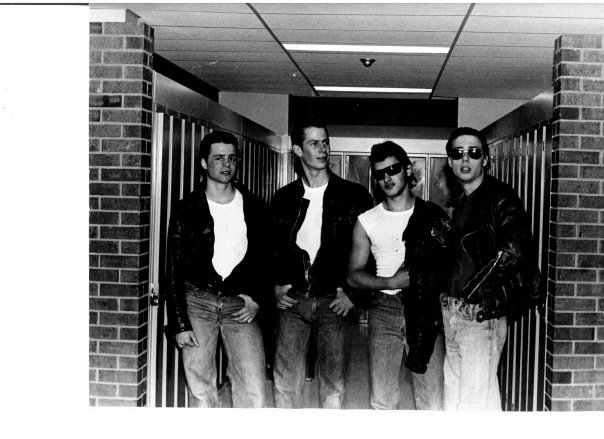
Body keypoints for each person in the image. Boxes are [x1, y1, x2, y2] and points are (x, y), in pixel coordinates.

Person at [270, 120, 373, 408]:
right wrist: (275, 285)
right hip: (293, 299)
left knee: (333, 384)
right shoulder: (284, 198)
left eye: (325, 142)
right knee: (285, 380)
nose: (323, 149)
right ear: (297, 150)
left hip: (334, 300)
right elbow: (271, 249)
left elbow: (372, 250)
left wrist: (353, 294)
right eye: (314, 143)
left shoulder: (354, 196)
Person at [166, 130, 269, 408]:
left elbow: (267, 258)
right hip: (198, 302)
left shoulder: (255, 207)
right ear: (204, 163)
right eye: (219, 158)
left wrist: (258, 298)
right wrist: (180, 324)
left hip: (239, 304)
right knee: (201, 390)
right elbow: (173, 270)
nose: (226, 164)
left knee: (253, 388)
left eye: (232, 158)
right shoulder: (187, 209)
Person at [442, 127, 540, 411]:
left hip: (479, 314)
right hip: (455, 313)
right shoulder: (462, 202)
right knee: (462, 402)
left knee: (471, 407)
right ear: (449, 161)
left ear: (485, 159)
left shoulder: (500, 197)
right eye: (458, 153)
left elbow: (513, 251)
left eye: (474, 153)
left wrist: (471, 293)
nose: (465, 159)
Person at [347, 141, 450, 410]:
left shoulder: (432, 215)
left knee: (431, 399)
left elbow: (450, 266)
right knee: (382, 400)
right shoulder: (367, 220)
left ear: (407, 169)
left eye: (393, 170)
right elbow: (353, 275)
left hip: (425, 309)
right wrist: (390, 282)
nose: (387, 178)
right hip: (384, 309)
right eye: (380, 174)